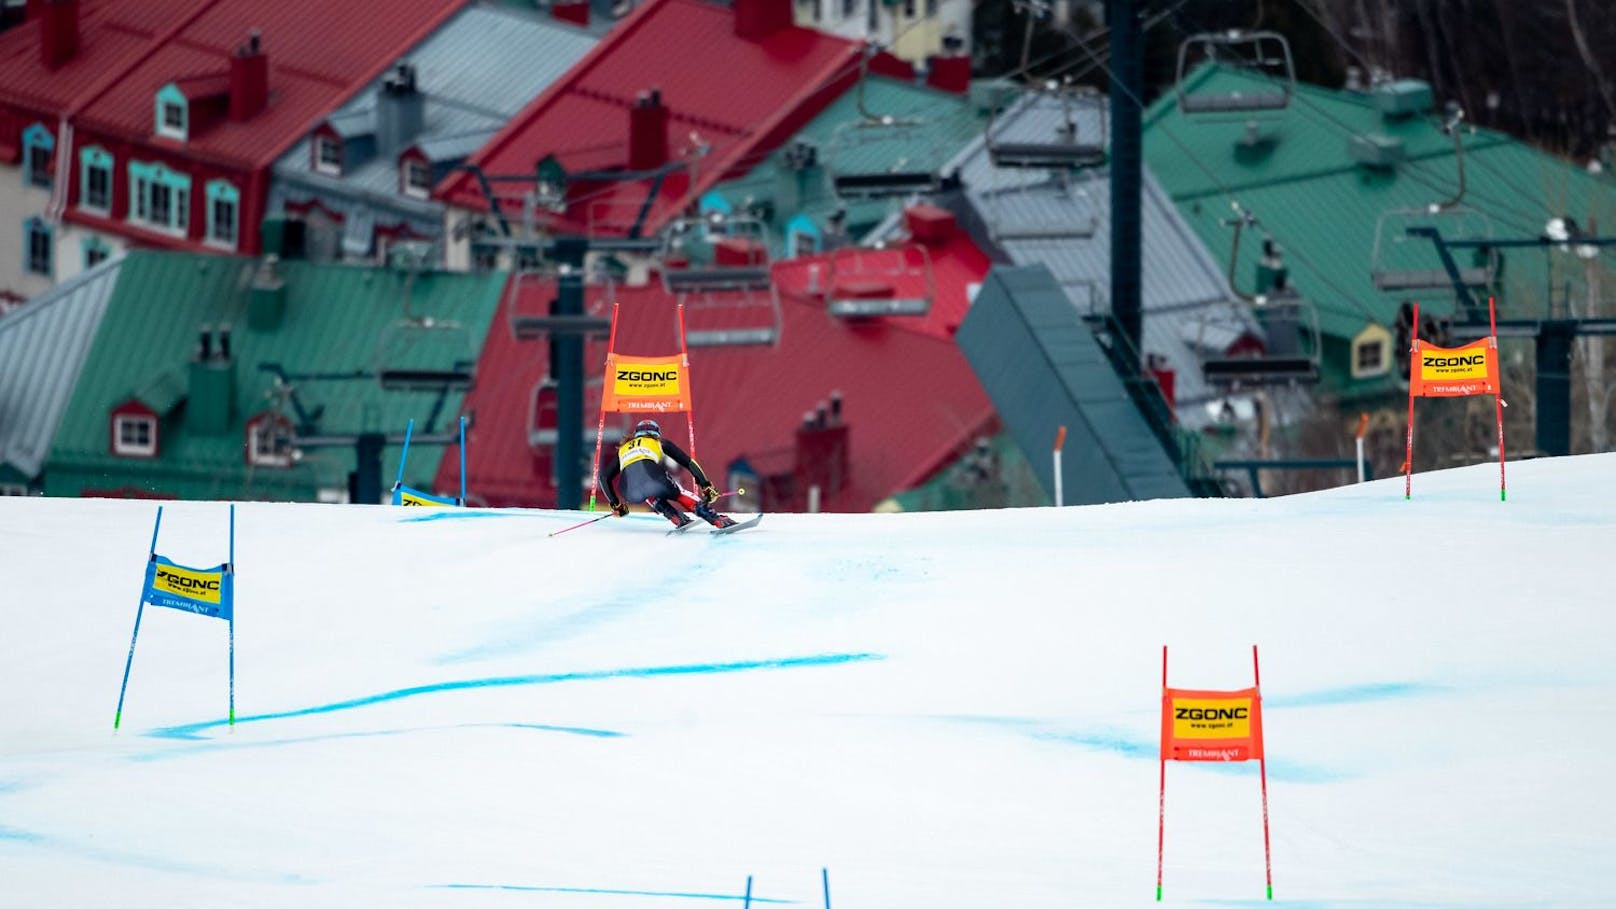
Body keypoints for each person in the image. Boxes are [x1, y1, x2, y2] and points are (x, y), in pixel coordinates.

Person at [599, 419, 736, 529]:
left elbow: (604, 478)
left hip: (629, 492)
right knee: (679, 493)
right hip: (653, 478)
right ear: (656, 433)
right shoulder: (658, 442)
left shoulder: (622, 450)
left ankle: (674, 516)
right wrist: (705, 485)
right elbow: (688, 462)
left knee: (649, 492)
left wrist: (616, 504)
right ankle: (716, 519)